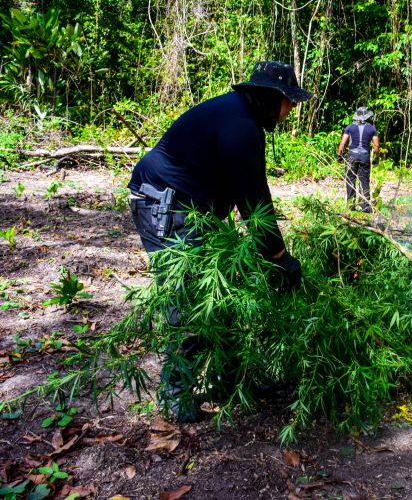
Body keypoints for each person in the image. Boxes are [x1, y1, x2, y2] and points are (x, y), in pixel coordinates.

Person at [127, 61, 313, 421]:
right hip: (166, 207)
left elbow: (254, 191)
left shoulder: (242, 119)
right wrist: (278, 256)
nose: (291, 110)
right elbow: (253, 202)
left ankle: (231, 381)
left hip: (197, 210)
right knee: (193, 300)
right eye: (289, 102)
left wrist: (274, 255)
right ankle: (175, 394)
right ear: (269, 98)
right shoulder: (240, 125)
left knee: (225, 294)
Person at [338, 106, 379, 212]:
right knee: (364, 180)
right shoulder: (372, 128)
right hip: (365, 156)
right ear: (367, 116)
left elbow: (343, 143)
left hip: (352, 156)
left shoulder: (350, 127)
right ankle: (365, 206)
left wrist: (339, 155)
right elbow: (376, 146)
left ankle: (351, 206)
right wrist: (376, 158)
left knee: (350, 180)